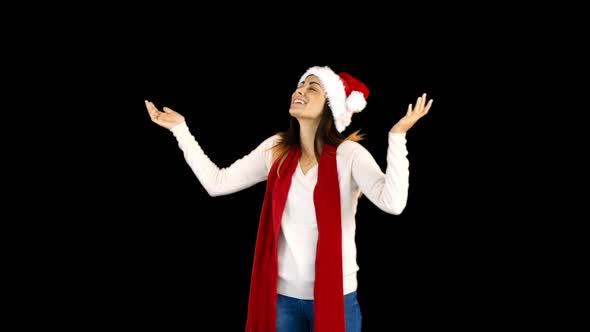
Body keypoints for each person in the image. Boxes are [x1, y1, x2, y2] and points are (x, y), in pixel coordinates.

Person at [145, 65, 433, 332]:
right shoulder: (276, 150)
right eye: (300, 85)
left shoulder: (350, 156)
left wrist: (398, 137)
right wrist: (180, 129)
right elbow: (216, 183)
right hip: (282, 299)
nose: (300, 90)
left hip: (338, 297)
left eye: (312, 87)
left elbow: (393, 203)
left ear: (330, 106)